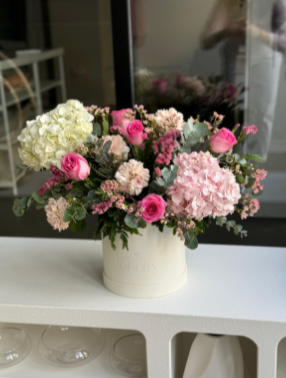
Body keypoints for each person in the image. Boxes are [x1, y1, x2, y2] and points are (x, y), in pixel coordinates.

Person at [200, 0, 286, 159]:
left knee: (263, 114)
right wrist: (228, 31)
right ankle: (233, 165)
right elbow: (206, 40)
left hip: (267, 60)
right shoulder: (227, 3)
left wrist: (258, 33)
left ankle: (258, 165)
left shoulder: (276, 2)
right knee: (234, 114)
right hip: (235, 61)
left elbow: (284, 41)